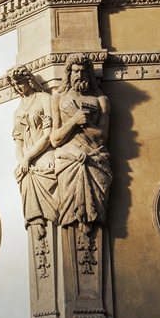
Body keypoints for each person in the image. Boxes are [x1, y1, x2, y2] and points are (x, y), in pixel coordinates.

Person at [50, 54, 112, 233]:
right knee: (70, 208)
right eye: (75, 71)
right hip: (68, 161)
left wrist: (84, 123)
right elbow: (55, 139)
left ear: (90, 75)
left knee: (96, 209)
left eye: (84, 71)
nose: (79, 75)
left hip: (95, 160)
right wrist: (73, 120)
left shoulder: (101, 101)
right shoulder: (59, 98)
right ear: (68, 74)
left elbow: (102, 137)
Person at [6, 65, 59, 239]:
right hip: (27, 158)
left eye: (20, 82)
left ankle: (51, 222)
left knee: (46, 168)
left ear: (28, 80)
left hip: (44, 152)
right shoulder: (17, 111)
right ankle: (36, 222)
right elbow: (18, 144)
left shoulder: (44, 98)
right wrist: (22, 160)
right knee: (25, 176)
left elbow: (48, 134)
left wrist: (27, 158)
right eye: (15, 84)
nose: (18, 86)